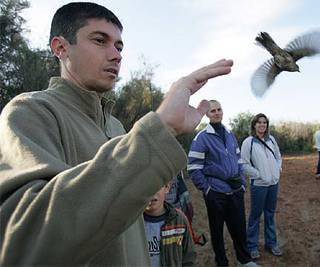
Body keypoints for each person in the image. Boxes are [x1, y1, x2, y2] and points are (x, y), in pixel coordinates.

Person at [0, 2, 233, 266]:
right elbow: (23, 243)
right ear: (60, 47)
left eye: (119, 47)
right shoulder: (29, 112)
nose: (116, 55)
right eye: (100, 40)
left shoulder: (115, 127)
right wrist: (162, 128)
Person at [187, 100, 257, 267]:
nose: (217, 113)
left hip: (235, 191)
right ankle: (221, 262)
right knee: (217, 232)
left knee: (239, 228)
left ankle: (244, 261)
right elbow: (193, 167)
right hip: (215, 193)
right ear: (207, 114)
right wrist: (207, 189)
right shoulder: (202, 138)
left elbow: (239, 160)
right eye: (213, 111)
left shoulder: (229, 134)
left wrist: (241, 184)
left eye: (219, 109)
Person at [240, 113, 283, 259]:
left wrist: (278, 170)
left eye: (264, 122)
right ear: (254, 125)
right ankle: (252, 246)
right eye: (259, 122)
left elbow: (278, 156)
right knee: (255, 215)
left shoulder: (271, 140)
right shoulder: (248, 142)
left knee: (270, 214)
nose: (262, 125)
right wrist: (258, 174)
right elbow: (243, 164)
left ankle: (271, 243)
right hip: (259, 185)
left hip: (273, 184)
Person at [144, 183, 196, 266]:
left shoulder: (179, 220)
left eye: (156, 186)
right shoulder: (131, 223)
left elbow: (189, 257)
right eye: (146, 187)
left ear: (167, 187)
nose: (152, 192)